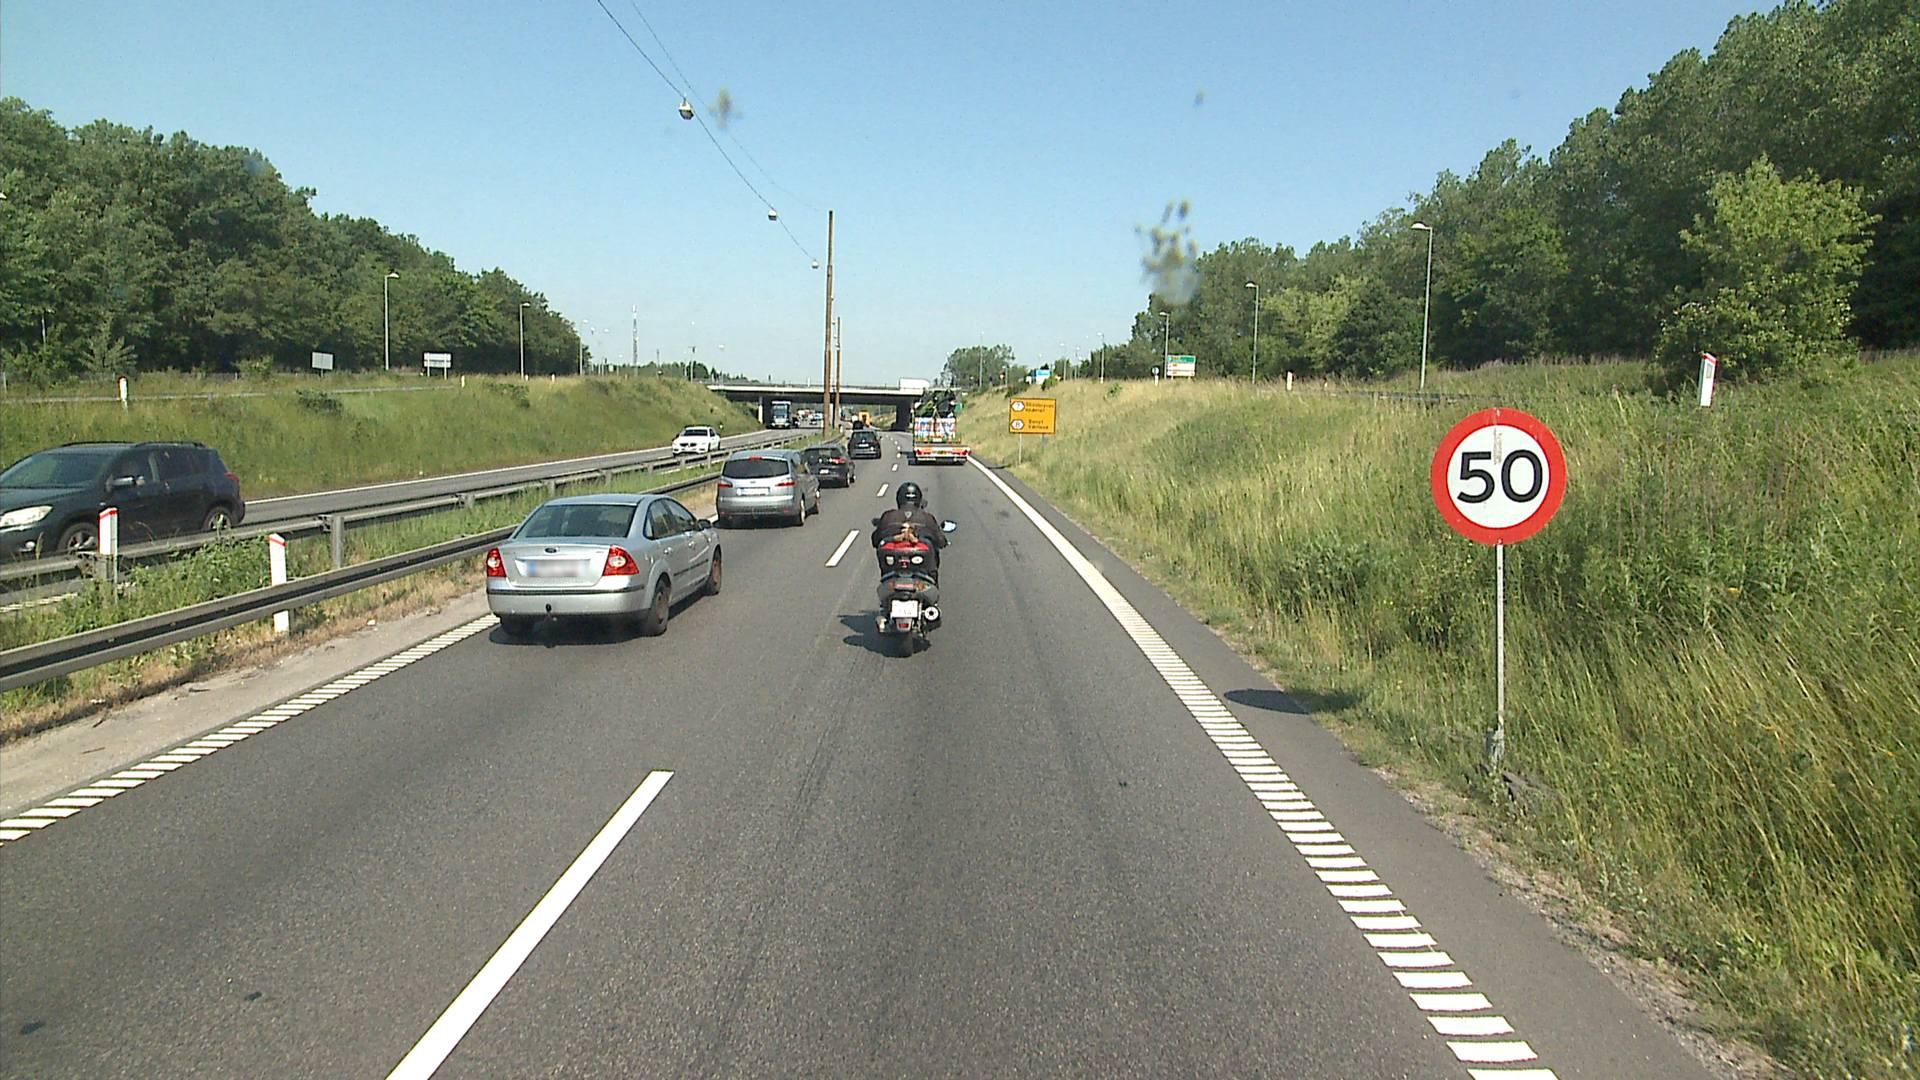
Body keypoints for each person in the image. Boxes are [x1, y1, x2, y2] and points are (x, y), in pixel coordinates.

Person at [871, 481, 946, 582]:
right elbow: (940, 541)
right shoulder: (927, 518)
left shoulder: (888, 516)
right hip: (922, 578)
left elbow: (875, 540)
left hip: (891, 577)